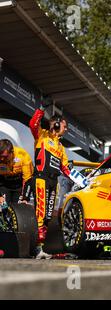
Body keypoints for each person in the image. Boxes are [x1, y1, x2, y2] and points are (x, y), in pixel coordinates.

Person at [29, 98, 72, 259]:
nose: (66, 129)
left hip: (54, 183)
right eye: (64, 126)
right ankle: (36, 248)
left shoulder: (61, 147)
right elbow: (33, 123)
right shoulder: (41, 135)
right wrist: (41, 108)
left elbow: (66, 168)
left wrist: (84, 180)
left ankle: (41, 248)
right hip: (41, 179)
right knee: (40, 213)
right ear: (56, 125)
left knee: (48, 216)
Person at [0, 139, 34, 205]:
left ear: (12, 152)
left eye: (5, 157)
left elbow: (28, 180)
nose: (2, 159)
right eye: (0, 156)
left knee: (18, 208)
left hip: (19, 186)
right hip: (3, 183)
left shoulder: (23, 156)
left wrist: (25, 198)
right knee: (4, 206)